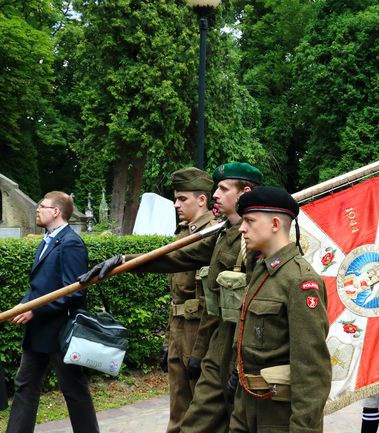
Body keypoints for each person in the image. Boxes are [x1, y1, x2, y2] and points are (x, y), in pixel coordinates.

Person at [78, 162, 262, 433]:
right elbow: (178, 257)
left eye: (223, 189)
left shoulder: (253, 239)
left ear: (245, 192)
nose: (215, 195)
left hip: (234, 346)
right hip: (216, 344)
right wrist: (124, 261)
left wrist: (236, 363)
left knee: (228, 420)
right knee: (196, 416)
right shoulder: (222, 234)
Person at [228, 186, 331, 433]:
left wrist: (303, 428)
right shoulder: (262, 270)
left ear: (275, 224)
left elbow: (312, 368)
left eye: (250, 221)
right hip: (247, 406)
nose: (242, 228)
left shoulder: (299, 281)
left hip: (277, 416)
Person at [7, 191, 99, 433]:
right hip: (38, 332)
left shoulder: (71, 243)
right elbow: (41, 284)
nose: (37, 209)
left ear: (56, 211)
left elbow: (74, 291)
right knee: (25, 386)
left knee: (74, 390)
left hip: (61, 333)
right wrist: (24, 304)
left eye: (43, 206)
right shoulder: (48, 240)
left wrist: (35, 310)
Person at [158, 167, 215, 433]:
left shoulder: (212, 234)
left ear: (202, 200)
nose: (176, 204)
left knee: (199, 411)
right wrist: (169, 342)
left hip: (198, 331)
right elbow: (177, 296)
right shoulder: (183, 234)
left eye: (183, 199)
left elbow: (210, 299)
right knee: (178, 408)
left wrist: (201, 349)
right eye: (176, 198)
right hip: (178, 328)